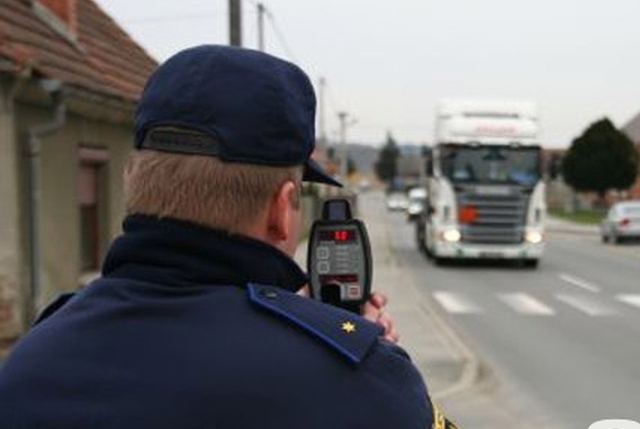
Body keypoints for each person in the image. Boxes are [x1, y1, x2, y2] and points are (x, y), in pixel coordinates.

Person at [0, 45, 455, 428]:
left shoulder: (31, 361)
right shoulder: (363, 382)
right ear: (282, 208)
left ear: (129, 184)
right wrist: (363, 357)